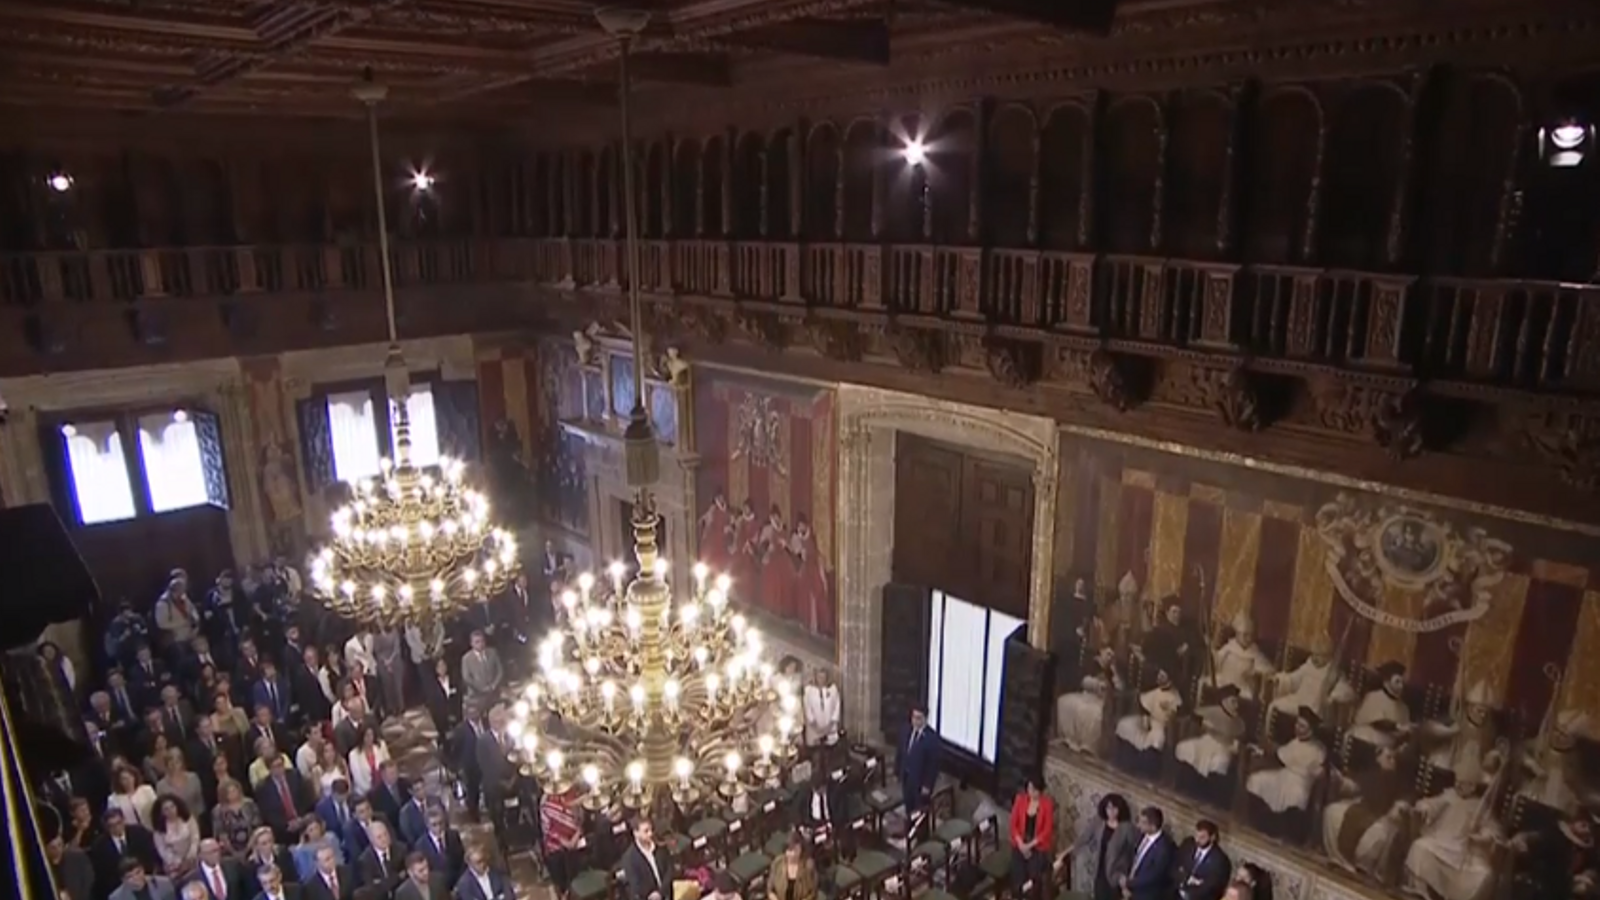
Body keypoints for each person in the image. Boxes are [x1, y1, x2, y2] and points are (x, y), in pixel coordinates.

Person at [897, 705, 941, 840]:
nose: (915, 721)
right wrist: (898, 771)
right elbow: (901, 752)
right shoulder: (906, 730)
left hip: (921, 783)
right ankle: (909, 832)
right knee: (909, 807)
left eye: (918, 718)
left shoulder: (932, 738)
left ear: (925, 719)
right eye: (913, 717)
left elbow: (933, 765)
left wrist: (927, 785)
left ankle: (922, 837)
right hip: (907, 778)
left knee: (921, 811)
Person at [1008, 774, 1056, 892]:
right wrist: (1021, 844)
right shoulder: (1020, 800)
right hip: (1020, 843)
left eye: (1034, 790)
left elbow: (1047, 830)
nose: (1031, 792)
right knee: (1018, 872)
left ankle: (1031, 895)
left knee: (1033, 873)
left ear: (1040, 790)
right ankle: (1018, 894)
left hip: (1037, 846)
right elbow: (1013, 825)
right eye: (1029, 789)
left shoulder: (1047, 804)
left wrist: (1030, 845)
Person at [540, 781, 584, 896]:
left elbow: (580, 819)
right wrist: (565, 842)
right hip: (555, 849)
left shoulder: (575, 795)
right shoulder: (546, 801)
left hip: (576, 844)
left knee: (576, 880)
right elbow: (547, 830)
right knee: (561, 884)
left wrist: (576, 835)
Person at [1121, 806, 1174, 900]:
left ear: (1153, 826)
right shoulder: (1141, 836)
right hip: (1130, 888)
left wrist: (1129, 883)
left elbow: (1153, 875)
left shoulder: (1164, 848)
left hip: (1145, 894)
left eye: (1143, 823)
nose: (1138, 825)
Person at [1173, 819, 1231, 900]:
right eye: (1196, 836)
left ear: (1212, 837)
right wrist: (1188, 879)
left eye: (1202, 837)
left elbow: (1211, 887)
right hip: (1176, 892)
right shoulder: (1188, 844)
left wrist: (1189, 894)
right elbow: (1175, 866)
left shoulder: (1220, 861)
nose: (1197, 840)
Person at [620, 817, 674, 900]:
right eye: (646, 831)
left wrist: (661, 892)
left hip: (666, 893)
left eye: (651, 830)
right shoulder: (629, 858)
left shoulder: (660, 846)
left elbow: (669, 869)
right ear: (636, 833)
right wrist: (653, 895)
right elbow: (636, 884)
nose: (650, 834)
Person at [413, 807, 464, 888]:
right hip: (438, 887)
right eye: (434, 825)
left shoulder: (453, 835)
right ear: (427, 825)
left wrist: (460, 883)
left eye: (441, 823)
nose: (438, 827)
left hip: (458, 883)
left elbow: (462, 861)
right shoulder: (420, 845)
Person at [153, 794, 201, 879]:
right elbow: (162, 850)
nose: (171, 811)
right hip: (173, 865)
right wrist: (178, 863)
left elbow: (195, 838)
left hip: (193, 859)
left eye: (172, 807)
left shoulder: (188, 819)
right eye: (166, 809)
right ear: (161, 812)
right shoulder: (159, 829)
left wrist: (190, 857)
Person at [212, 779, 263, 856]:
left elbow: (257, 827)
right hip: (229, 850)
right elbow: (221, 834)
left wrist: (248, 848)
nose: (233, 793)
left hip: (253, 845)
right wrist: (233, 852)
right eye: (229, 792)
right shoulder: (218, 811)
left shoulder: (249, 804)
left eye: (234, 790)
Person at [157, 748, 207, 822]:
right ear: (166, 764)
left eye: (177, 761)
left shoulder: (193, 778)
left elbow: (199, 803)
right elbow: (162, 809)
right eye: (171, 761)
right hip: (173, 824)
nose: (174, 764)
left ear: (182, 762)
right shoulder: (161, 785)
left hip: (194, 821)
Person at [358, 821, 405, 896]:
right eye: (379, 837)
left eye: (385, 834)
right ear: (371, 840)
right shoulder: (365, 860)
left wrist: (381, 882)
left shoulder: (401, 849)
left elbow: (406, 878)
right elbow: (372, 888)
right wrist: (397, 877)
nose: (384, 839)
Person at [767, 833, 818, 900]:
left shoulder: (808, 865)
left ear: (801, 849)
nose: (793, 854)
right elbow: (770, 890)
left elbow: (812, 893)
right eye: (790, 850)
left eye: (796, 850)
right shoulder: (777, 863)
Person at [292, 818, 343, 882]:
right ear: (305, 832)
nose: (315, 832)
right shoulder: (302, 850)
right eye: (311, 830)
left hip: (337, 873)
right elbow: (306, 873)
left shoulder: (331, 838)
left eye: (316, 828)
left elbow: (340, 858)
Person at [45, 835, 95, 900]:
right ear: (46, 849)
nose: (58, 850)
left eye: (60, 845)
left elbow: (89, 879)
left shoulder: (77, 858)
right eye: (53, 847)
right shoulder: (44, 868)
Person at [109, 764, 160, 828]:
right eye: (124, 779)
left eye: (130, 777)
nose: (128, 780)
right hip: (131, 830)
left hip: (151, 826)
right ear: (119, 781)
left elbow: (157, 808)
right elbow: (115, 817)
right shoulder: (113, 799)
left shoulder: (147, 790)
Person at [795, 766, 845, 831]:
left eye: (820, 789)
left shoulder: (835, 791)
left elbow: (841, 811)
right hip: (813, 824)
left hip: (831, 823)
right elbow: (797, 810)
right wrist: (801, 826)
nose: (818, 792)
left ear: (825, 786)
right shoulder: (805, 792)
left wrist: (832, 825)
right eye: (816, 790)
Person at [802, 668, 841, 750]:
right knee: (816, 751)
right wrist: (816, 727)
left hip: (829, 726)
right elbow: (807, 708)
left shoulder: (833, 689)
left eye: (824, 677)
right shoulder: (809, 690)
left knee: (829, 750)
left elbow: (837, 707)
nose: (821, 679)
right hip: (814, 727)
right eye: (819, 677)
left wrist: (830, 725)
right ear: (815, 677)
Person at [460, 631, 503, 703]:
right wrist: (482, 689)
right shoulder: (466, 659)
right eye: (477, 642)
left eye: (482, 641)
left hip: (494, 691)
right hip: (476, 696)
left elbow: (500, 671)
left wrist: (494, 685)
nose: (480, 644)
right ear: (471, 644)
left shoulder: (493, 652)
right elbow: (466, 678)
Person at [346, 726, 390, 797]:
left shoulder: (381, 746)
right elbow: (358, 778)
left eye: (371, 735)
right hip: (363, 792)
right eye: (367, 735)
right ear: (362, 737)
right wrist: (371, 792)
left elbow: (388, 765)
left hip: (383, 788)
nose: (370, 738)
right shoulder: (353, 754)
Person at [111, 857, 178, 900]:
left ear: (143, 870)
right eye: (130, 876)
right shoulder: (116, 898)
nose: (136, 878)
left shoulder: (164, 884)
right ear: (123, 880)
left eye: (138, 872)